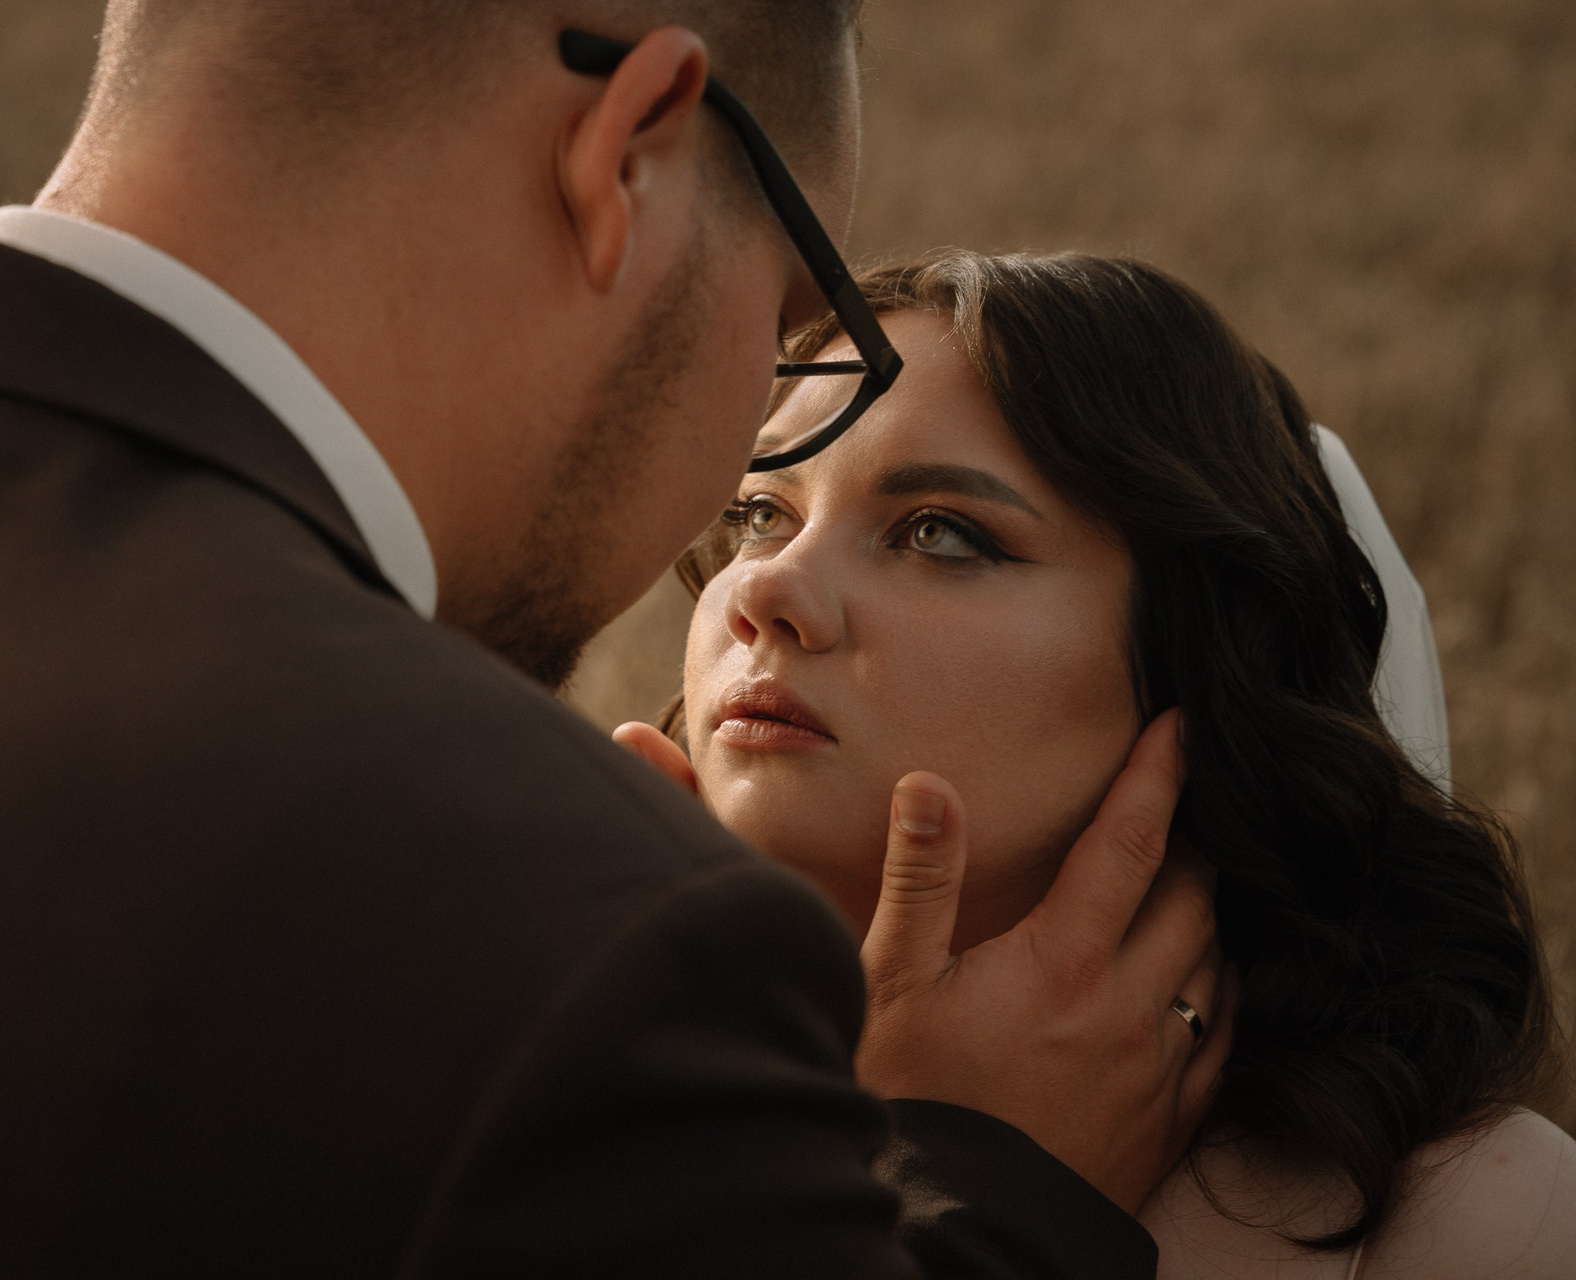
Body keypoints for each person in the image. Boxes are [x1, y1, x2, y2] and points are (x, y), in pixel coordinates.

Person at [0, 5, 1224, 1277]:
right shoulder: (566, 929)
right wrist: (991, 1192)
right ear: (626, 149)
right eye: (779, 319)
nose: (749, 563)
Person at [618, 250, 1576, 1277]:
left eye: (941, 533)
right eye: (761, 513)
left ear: (1201, 665)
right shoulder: (549, 1090)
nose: (768, 592)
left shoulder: (1479, 1220)